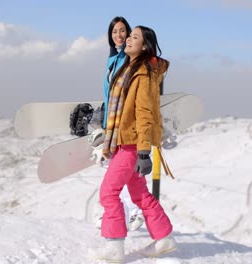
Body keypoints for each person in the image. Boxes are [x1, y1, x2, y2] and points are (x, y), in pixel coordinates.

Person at [91, 25, 177, 262]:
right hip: (124, 141)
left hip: (131, 144)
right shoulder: (131, 68)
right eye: (129, 36)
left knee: (108, 193)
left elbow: (145, 113)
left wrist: (143, 152)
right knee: (140, 194)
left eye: (134, 37)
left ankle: (114, 246)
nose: (128, 39)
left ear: (145, 45)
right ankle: (164, 238)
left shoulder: (144, 74)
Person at [89, 16, 145, 232]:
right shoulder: (112, 59)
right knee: (126, 176)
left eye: (123, 31)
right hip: (111, 123)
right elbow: (110, 94)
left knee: (113, 177)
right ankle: (135, 212)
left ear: (129, 33)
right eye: (114, 32)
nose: (119, 35)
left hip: (123, 127)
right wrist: (103, 119)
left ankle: (113, 218)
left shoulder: (129, 58)